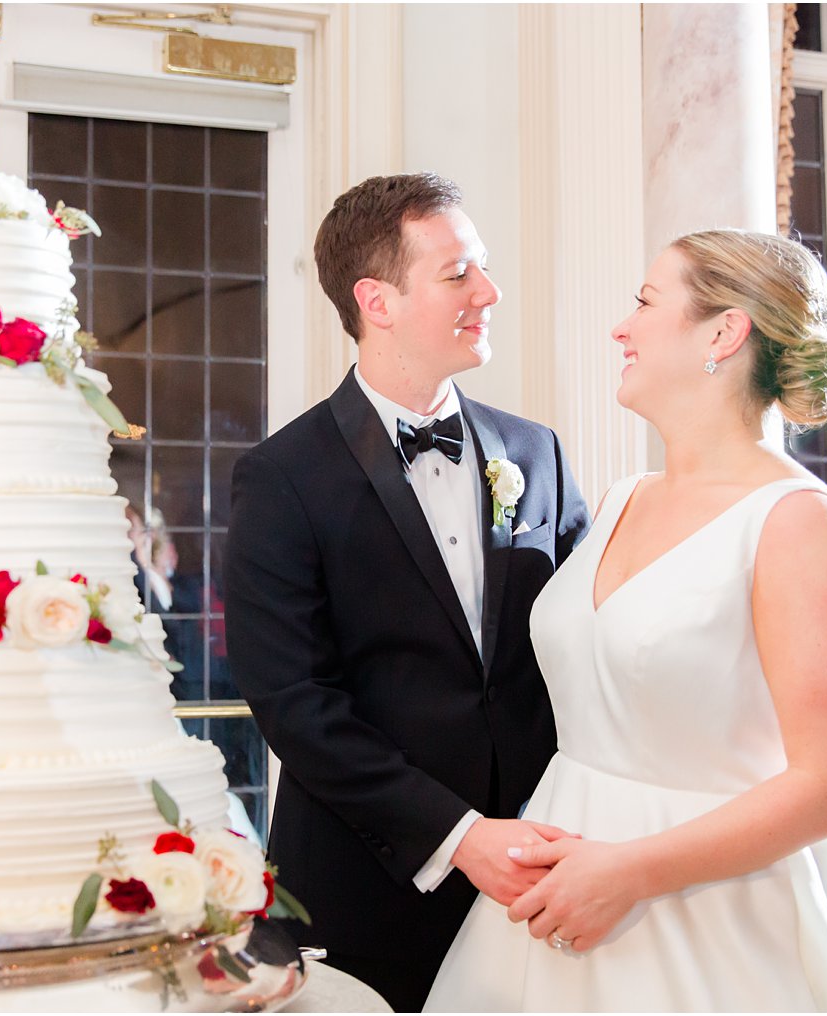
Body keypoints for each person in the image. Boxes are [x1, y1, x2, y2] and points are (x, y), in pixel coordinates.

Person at [424, 230, 827, 1011]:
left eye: (644, 302)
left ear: (722, 332)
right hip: (551, 888)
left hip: (708, 912)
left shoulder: (796, 523)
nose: (622, 327)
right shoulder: (618, 501)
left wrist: (631, 873)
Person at [224, 173, 592, 1012]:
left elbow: (581, 647)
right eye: (458, 273)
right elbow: (294, 703)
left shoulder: (538, 454)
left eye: (484, 268)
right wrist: (460, 838)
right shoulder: (283, 477)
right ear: (376, 300)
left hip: (541, 878)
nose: (489, 292)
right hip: (369, 885)